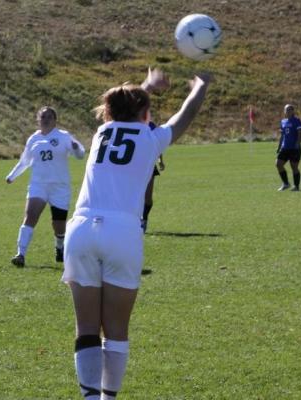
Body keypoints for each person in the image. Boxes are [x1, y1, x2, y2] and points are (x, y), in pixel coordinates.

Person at [61, 68, 210, 400]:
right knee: (115, 330)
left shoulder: (102, 132)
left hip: (82, 230)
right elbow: (185, 116)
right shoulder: (151, 138)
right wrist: (200, 87)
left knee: (86, 328)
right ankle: (108, 398)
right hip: (122, 233)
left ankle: (89, 398)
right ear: (146, 113)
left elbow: (123, 110)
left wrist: (145, 88)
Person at [6, 106, 85, 267]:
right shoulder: (33, 139)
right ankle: (20, 254)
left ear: (55, 120)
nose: (46, 119)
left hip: (60, 187)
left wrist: (77, 149)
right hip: (38, 185)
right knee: (30, 216)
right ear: (38, 120)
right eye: (43, 117)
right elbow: (25, 161)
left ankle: (59, 247)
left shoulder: (63, 136)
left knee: (59, 225)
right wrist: (12, 176)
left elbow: (80, 154)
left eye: (49, 117)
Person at [276, 103, 301, 191]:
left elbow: (300, 133)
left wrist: (297, 143)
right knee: (278, 164)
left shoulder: (297, 121)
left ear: (293, 111)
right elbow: (282, 135)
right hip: (285, 148)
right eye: (286, 109)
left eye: (289, 109)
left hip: (294, 148)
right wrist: (279, 146)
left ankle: (296, 186)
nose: (287, 111)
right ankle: (286, 184)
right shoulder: (283, 121)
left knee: (294, 167)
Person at [141, 152, 164, 233]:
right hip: (133, 166)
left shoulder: (150, 138)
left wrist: (160, 160)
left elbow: (158, 145)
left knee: (148, 198)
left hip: (149, 166)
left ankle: (144, 219)